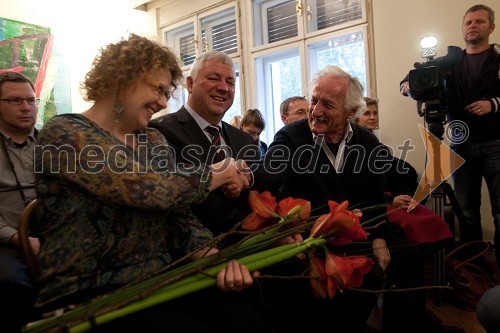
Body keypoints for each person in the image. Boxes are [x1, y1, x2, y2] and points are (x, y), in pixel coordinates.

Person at [33, 34, 269, 333]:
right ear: (123, 78)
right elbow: (148, 190)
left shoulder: (152, 139)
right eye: (158, 89)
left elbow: (178, 214)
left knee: (246, 318)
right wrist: (220, 171)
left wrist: (216, 261)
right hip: (90, 294)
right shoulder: (64, 133)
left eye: (167, 92)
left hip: (164, 278)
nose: (162, 102)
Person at [261, 66, 463, 333]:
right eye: (313, 100)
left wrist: (378, 237)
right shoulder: (291, 136)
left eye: (328, 104)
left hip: (362, 225)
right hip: (315, 229)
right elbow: (270, 176)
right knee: (370, 271)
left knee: (407, 256)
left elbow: (374, 195)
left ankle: (408, 326)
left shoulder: (366, 141)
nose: (316, 110)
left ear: (349, 112)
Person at [402, 4, 500, 265]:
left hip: (495, 143)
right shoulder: (449, 61)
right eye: (468, 22)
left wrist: (493, 104)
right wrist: (407, 87)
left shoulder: (498, 59)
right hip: (460, 143)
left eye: (479, 21)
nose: (472, 25)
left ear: (491, 27)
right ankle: (473, 267)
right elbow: (411, 79)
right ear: (462, 27)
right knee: (467, 211)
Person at [149, 51, 260, 242]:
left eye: (231, 82)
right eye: (213, 78)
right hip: (199, 251)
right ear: (190, 84)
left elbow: (255, 194)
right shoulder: (159, 131)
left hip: (252, 245)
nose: (224, 88)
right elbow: (176, 200)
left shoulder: (243, 139)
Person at [353, 97, 454, 245]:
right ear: (355, 118)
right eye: (367, 113)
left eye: (375, 113)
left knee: (432, 218)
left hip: (392, 196)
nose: (373, 117)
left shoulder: (378, 146)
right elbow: (361, 188)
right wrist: (390, 199)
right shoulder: (353, 146)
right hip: (372, 202)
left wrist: (404, 196)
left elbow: (396, 174)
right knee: (413, 224)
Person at [0, 72, 39, 333]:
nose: (25, 107)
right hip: (7, 244)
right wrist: (18, 238)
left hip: (56, 236)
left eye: (30, 100)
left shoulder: (57, 144)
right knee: (12, 283)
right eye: (15, 101)